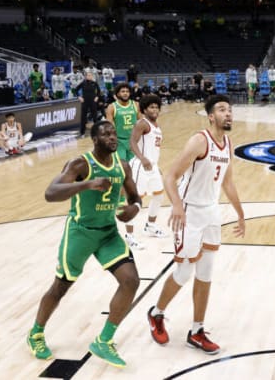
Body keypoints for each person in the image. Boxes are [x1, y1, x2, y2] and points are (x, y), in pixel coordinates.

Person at [26, 120, 141, 368]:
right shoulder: (81, 164)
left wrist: (134, 209)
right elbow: (50, 193)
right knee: (60, 287)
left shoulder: (122, 166)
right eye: (106, 134)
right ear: (95, 139)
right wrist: (87, 184)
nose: (112, 136)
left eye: (113, 133)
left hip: (108, 233)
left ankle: (104, 340)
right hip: (80, 233)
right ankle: (35, 333)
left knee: (131, 281)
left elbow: (135, 197)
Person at [147, 94, 245, 355]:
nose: (228, 113)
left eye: (230, 109)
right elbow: (170, 176)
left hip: (211, 213)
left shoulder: (227, 143)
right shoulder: (200, 140)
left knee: (206, 273)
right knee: (183, 272)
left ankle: (197, 330)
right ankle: (157, 313)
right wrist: (177, 205)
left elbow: (228, 182)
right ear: (211, 116)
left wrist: (240, 213)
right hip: (189, 212)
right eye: (222, 110)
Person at [127, 94, 170, 242]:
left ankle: (150, 226)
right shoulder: (142, 123)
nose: (155, 110)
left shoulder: (156, 126)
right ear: (144, 109)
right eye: (151, 107)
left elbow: (153, 149)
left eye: (157, 107)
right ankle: (129, 236)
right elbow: (132, 142)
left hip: (152, 166)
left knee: (158, 196)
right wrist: (142, 158)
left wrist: (156, 166)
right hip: (140, 166)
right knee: (135, 201)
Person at [106, 82, 143, 248]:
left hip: (132, 143)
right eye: (123, 91)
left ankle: (128, 196)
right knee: (121, 173)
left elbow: (142, 123)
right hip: (119, 143)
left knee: (133, 175)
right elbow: (109, 127)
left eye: (127, 90)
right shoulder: (112, 107)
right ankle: (121, 199)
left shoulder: (135, 105)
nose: (126, 93)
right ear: (117, 93)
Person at [75, 72, 102, 137]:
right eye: (88, 75)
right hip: (85, 101)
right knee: (83, 117)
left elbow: (99, 91)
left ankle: (96, 132)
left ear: (92, 76)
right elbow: (76, 90)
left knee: (95, 117)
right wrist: (79, 97)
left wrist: (97, 97)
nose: (89, 76)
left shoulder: (94, 83)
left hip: (93, 101)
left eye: (90, 75)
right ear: (86, 76)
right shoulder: (83, 83)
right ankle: (82, 133)